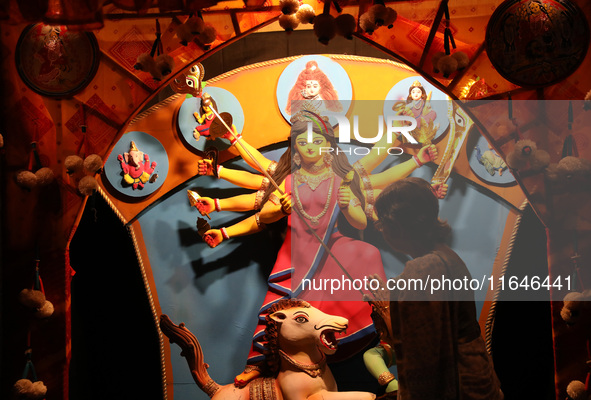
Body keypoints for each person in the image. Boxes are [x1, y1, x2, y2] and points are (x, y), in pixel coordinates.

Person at [369, 177, 503, 400]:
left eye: (381, 224)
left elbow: (422, 357)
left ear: (397, 226)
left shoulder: (423, 268)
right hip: (477, 376)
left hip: (459, 386)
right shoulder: (444, 256)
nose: (382, 231)